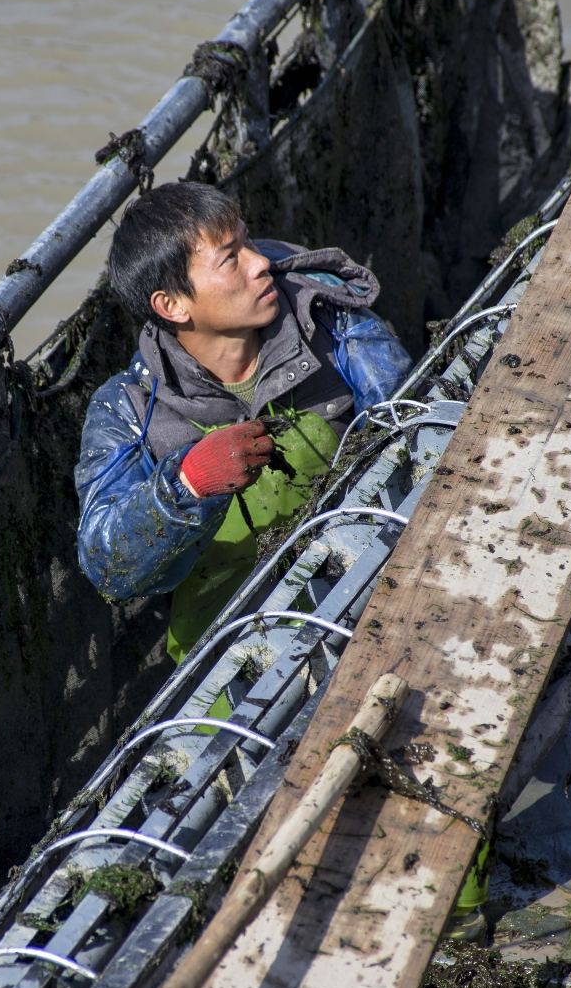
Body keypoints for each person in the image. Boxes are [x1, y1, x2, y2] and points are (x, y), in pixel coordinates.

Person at [74, 181, 410, 664]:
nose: (260, 263)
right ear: (171, 305)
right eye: (231, 259)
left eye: (248, 242)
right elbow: (107, 568)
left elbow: (407, 420)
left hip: (375, 570)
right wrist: (187, 486)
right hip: (233, 641)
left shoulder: (328, 319)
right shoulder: (125, 410)